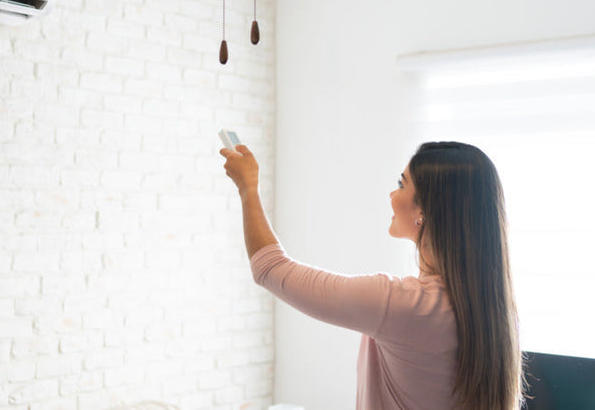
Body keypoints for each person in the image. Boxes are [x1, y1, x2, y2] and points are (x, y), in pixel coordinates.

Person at [220, 141, 523, 410]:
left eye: (402, 185)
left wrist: (248, 187)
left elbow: (270, 268)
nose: (392, 194)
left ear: (426, 211)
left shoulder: (403, 304)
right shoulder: (494, 309)